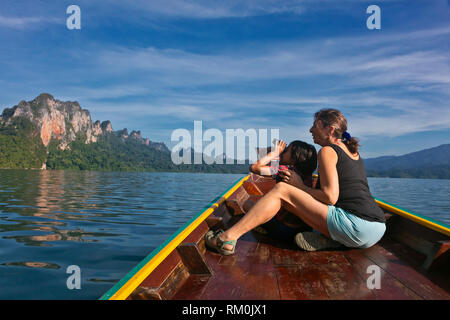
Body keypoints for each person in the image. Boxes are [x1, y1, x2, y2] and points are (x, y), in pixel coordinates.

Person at [205, 108, 386, 254]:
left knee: (282, 190)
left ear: (330, 129)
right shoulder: (353, 152)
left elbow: (330, 197)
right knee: (291, 197)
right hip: (377, 230)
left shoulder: (327, 151)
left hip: (356, 226)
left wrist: (298, 186)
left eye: (315, 125)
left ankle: (225, 239)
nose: (310, 130)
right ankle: (333, 240)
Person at [247, 140, 317, 239]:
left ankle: (260, 227)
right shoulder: (306, 174)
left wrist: (275, 152)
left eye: (286, 150)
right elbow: (274, 165)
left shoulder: (285, 172)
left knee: (247, 204)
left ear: (294, 158)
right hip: (304, 228)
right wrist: (274, 153)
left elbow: (254, 167)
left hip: (284, 229)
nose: (283, 152)